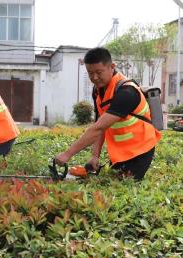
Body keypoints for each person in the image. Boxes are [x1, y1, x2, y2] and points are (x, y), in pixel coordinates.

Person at [55, 47, 162, 181]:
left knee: (122, 188)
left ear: (111, 67)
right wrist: (95, 156)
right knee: (107, 181)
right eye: (90, 73)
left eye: (99, 72)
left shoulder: (127, 92)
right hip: (121, 152)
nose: (94, 77)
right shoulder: (98, 91)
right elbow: (100, 124)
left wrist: (67, 155)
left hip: (140, 150)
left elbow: (97, 128)